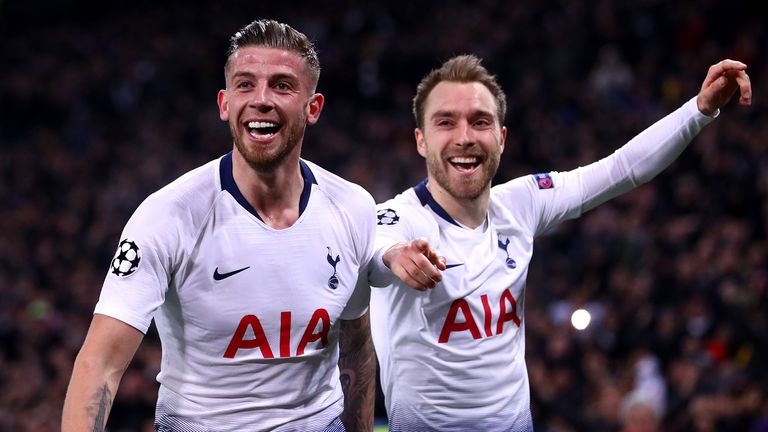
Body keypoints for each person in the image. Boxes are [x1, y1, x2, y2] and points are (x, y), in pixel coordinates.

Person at [364, 55, 751, 431]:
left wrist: (699, 110)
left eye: (479, 122)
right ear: (420, 140)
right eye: (445, 123)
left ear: (501, 138)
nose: (464, 137)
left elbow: (621, 169)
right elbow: (377, 249)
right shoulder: (398, 219)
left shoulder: (521, 203)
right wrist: (396, 256)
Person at [62, 19, 377, 432]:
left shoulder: (352, 207)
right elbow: (98, 366)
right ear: (224, 103)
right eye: (245, 84)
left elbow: (355, 350)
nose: (261, 99)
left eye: (282, 85)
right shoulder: (167, 215)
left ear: (312, 107)